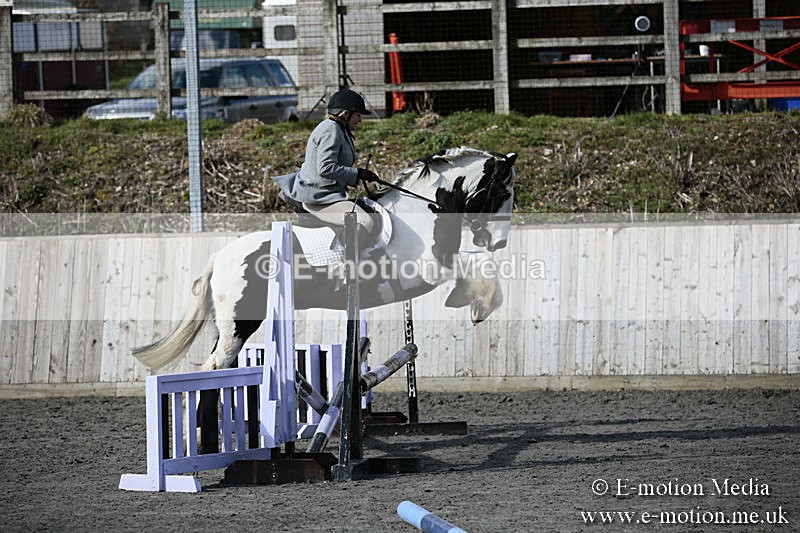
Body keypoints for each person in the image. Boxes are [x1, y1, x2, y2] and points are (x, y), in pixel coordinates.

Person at [273, 88, 380, 239]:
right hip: (319, 200)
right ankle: (349, 262)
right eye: (358, 115)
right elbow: (326, 168)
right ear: (345, 114)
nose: (360, 120)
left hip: (326, 196)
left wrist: (361, 174)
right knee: (364, 221)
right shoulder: (331, 129)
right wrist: (357, 173)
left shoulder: (338, 129)